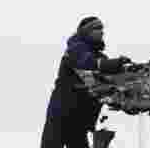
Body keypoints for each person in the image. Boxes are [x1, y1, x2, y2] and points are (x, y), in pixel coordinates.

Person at [41, 16, 132, 148]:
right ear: (86, 32)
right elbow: (88, 63)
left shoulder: (99, 56)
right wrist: (115, 64)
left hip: (79, 119)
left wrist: (132, 70)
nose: (102, 32)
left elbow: (110, 77)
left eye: (102, 28)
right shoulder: (75, 50)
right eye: (97, 28)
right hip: (61, 116)